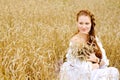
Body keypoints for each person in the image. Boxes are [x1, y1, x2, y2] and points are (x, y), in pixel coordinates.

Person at [59, 10, 119, 80]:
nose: (84, 27)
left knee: (114, 71)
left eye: (87, 23)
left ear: (91, 24)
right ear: (77, 23)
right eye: (81, 23)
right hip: (80, 74)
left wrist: (96, 60)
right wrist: (94, 66)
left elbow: (105, 62)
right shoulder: (74, 41)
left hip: (94, 71)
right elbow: (77, 66)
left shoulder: (94, 38)